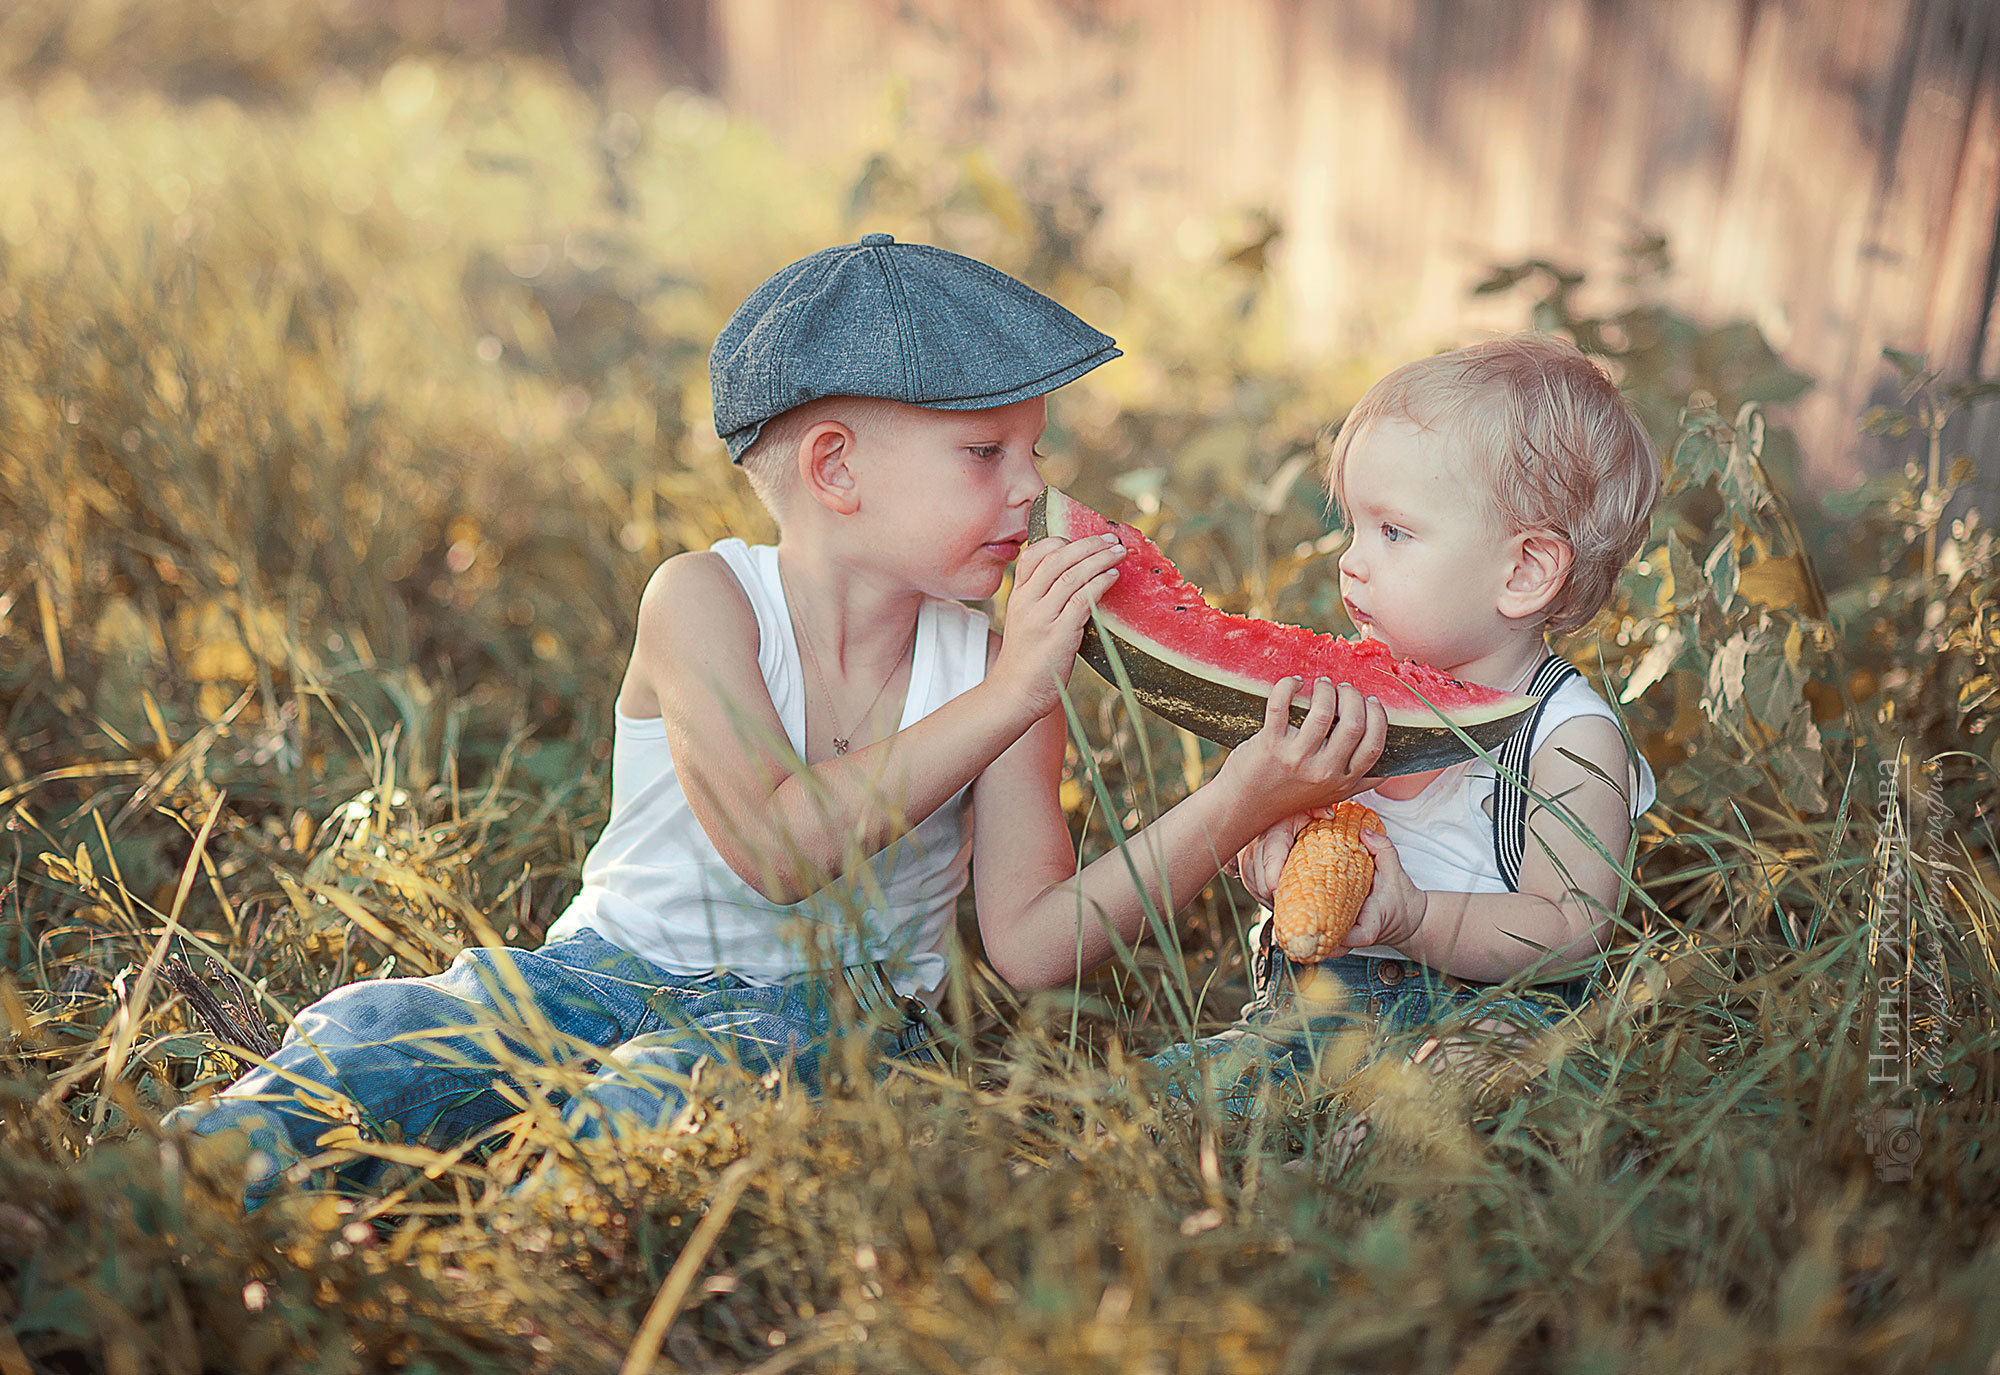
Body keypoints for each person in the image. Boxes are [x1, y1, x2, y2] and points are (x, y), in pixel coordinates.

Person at [165, 234, 1388, 1209]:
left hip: (845, 1024)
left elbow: (1027, 944)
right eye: (983, 451)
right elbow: (778, 848)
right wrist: (1008, 692)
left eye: (1034, 447)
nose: (1033, 488)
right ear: (836, 470)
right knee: (393, 1042)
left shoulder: (996, 659)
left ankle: (528, 1249)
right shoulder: (700, 602)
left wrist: (1238, 797)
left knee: (660, 1101)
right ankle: (157, 1200)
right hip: (600, 971)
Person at [1145, 333, 1661, 1164]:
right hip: (1307, 1025)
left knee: (1478, 1070)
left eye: (1394, 532)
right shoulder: (1353, 703)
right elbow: (1293, 852)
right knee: (1159, 1098)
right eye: (1353, 525)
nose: (1350, 562)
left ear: (1525, 569)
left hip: (1480, 1020)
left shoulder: (1570, 739)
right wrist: (1268, 845)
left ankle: (1370, 1163)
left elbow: (1574, 925)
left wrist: (1419, 919)